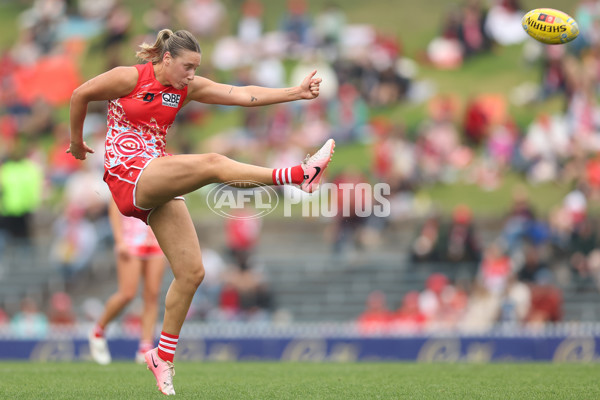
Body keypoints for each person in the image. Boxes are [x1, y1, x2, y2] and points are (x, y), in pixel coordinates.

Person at [68, 29, 334, 395]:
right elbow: (79, 94)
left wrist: (296, 93)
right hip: (126, 174)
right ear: (165, 59)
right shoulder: (129, 76)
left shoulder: (186, 88)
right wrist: (76, 141)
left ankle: (162, 357)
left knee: (192, 273)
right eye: (188, 66)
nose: (192, 74)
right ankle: (299, 176)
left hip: (157, 173)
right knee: (211, 162)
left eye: (196, 68)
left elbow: (240, 95)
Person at [88, 199, 168, 365]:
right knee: (127, 294)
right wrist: (119, 240)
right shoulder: (130, 172)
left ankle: (145, 347)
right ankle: (98, 330)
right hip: (131, 237)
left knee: (152, 295)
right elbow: (115, 204)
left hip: (156, 237)